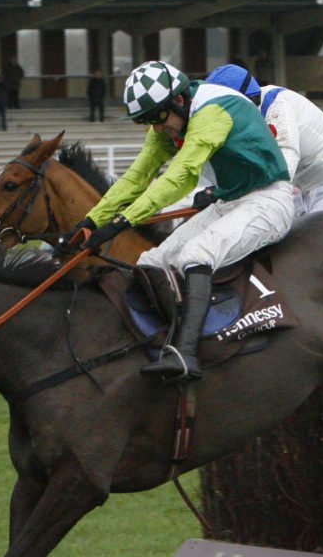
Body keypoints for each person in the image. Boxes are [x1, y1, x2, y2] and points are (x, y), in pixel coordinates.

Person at [75, 60, 293, 382]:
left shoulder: (213, 109)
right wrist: (90, 222)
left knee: (195, 256)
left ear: (179, 100)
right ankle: (160, 341)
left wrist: (123, 221)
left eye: (158, 118)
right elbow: (136, 178)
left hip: (268, 200)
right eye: (147, 122)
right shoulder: (169, 117)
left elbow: (182, 176)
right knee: (150, 261)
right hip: (229, 202)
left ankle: (187, 354)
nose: (158, 128)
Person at [207, 64, 323, 215]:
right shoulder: (248, 111)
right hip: (301, 190)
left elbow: (284, 160)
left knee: (316, 240)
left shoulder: (277, 105)